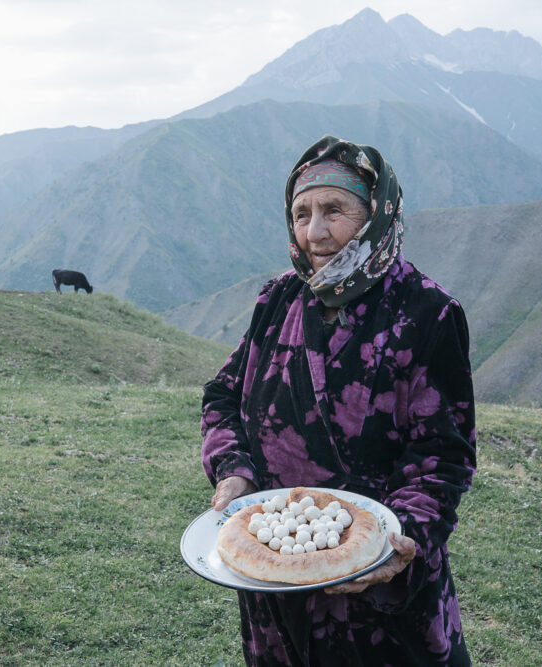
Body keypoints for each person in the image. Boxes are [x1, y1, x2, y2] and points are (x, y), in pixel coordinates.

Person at [201, 135, 476, 666]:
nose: (315, 233)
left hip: (380, 591)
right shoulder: (278, 299)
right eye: (301, 214)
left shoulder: (427, 312)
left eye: (334, 210)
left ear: (376, 213)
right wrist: (234, 471)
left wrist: (398, 541)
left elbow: (443, 455)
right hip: (276, 561)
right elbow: (223, 395)